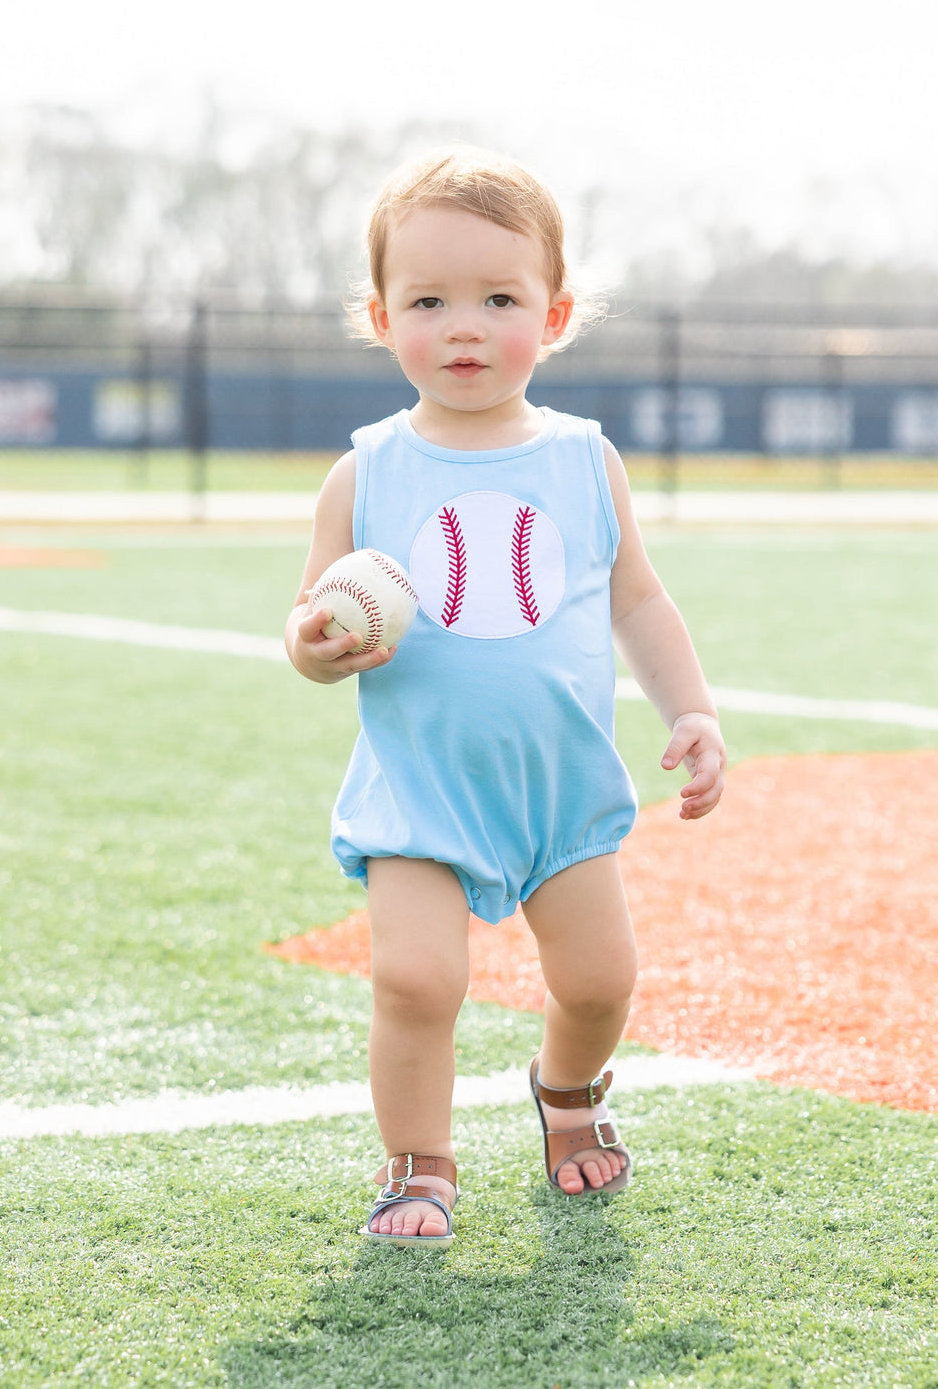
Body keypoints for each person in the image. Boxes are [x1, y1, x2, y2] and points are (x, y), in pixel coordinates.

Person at [285, 150, 725, 1247]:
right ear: (383, 318)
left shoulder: (584, 460)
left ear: (556, 312)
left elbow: (641, 602)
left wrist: (693, 710)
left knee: (598, 982)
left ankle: (567, 1094)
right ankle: (418, 1166)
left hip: (558, 786)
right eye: (429, 301)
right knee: (415, 979)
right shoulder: (366, 472)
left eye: (498, 299)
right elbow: (310, 629)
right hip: (419, 789)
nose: (464, 326)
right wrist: (318, 649)